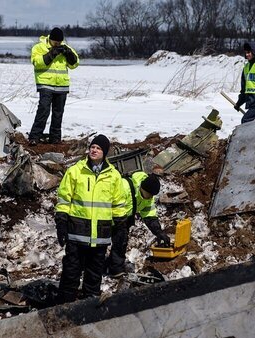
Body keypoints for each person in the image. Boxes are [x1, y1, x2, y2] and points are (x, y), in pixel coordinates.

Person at [55, 135, 126, 303]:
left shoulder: (114, 176)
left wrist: (120, 227)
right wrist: (61, 222)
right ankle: (64, 306)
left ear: (105, 152)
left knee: (94, 274)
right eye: (92, 147)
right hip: (77, 233)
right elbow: (64, 199)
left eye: (98, 148)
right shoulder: (75, 171)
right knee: (71, 272)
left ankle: (90, 305)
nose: (94, 150)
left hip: (100, 236)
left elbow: (118, 204)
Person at [106, 172, 170, 277]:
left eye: (152, 196)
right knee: (99, 245)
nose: (150, 198)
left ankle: (115, 268)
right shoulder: (124, 187)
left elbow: (149, 215)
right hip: (108, 217)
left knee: (121, 241)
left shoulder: (147, 198)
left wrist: (158, 232)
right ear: (142, 188)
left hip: (123, 220)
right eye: (149, 194)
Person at [29, 27, 80, 145]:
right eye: (55, 42)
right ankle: (35, 136)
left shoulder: (65, 47)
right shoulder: (39, 47)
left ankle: (55, 138)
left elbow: (75, 64)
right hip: (45, 84)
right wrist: (51, 53)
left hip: (62, 85)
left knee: (58, 113)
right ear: (50, 39)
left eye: (59, 42)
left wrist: (69, 53)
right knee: (43, 110)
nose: (57, 44)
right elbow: (37, 63)